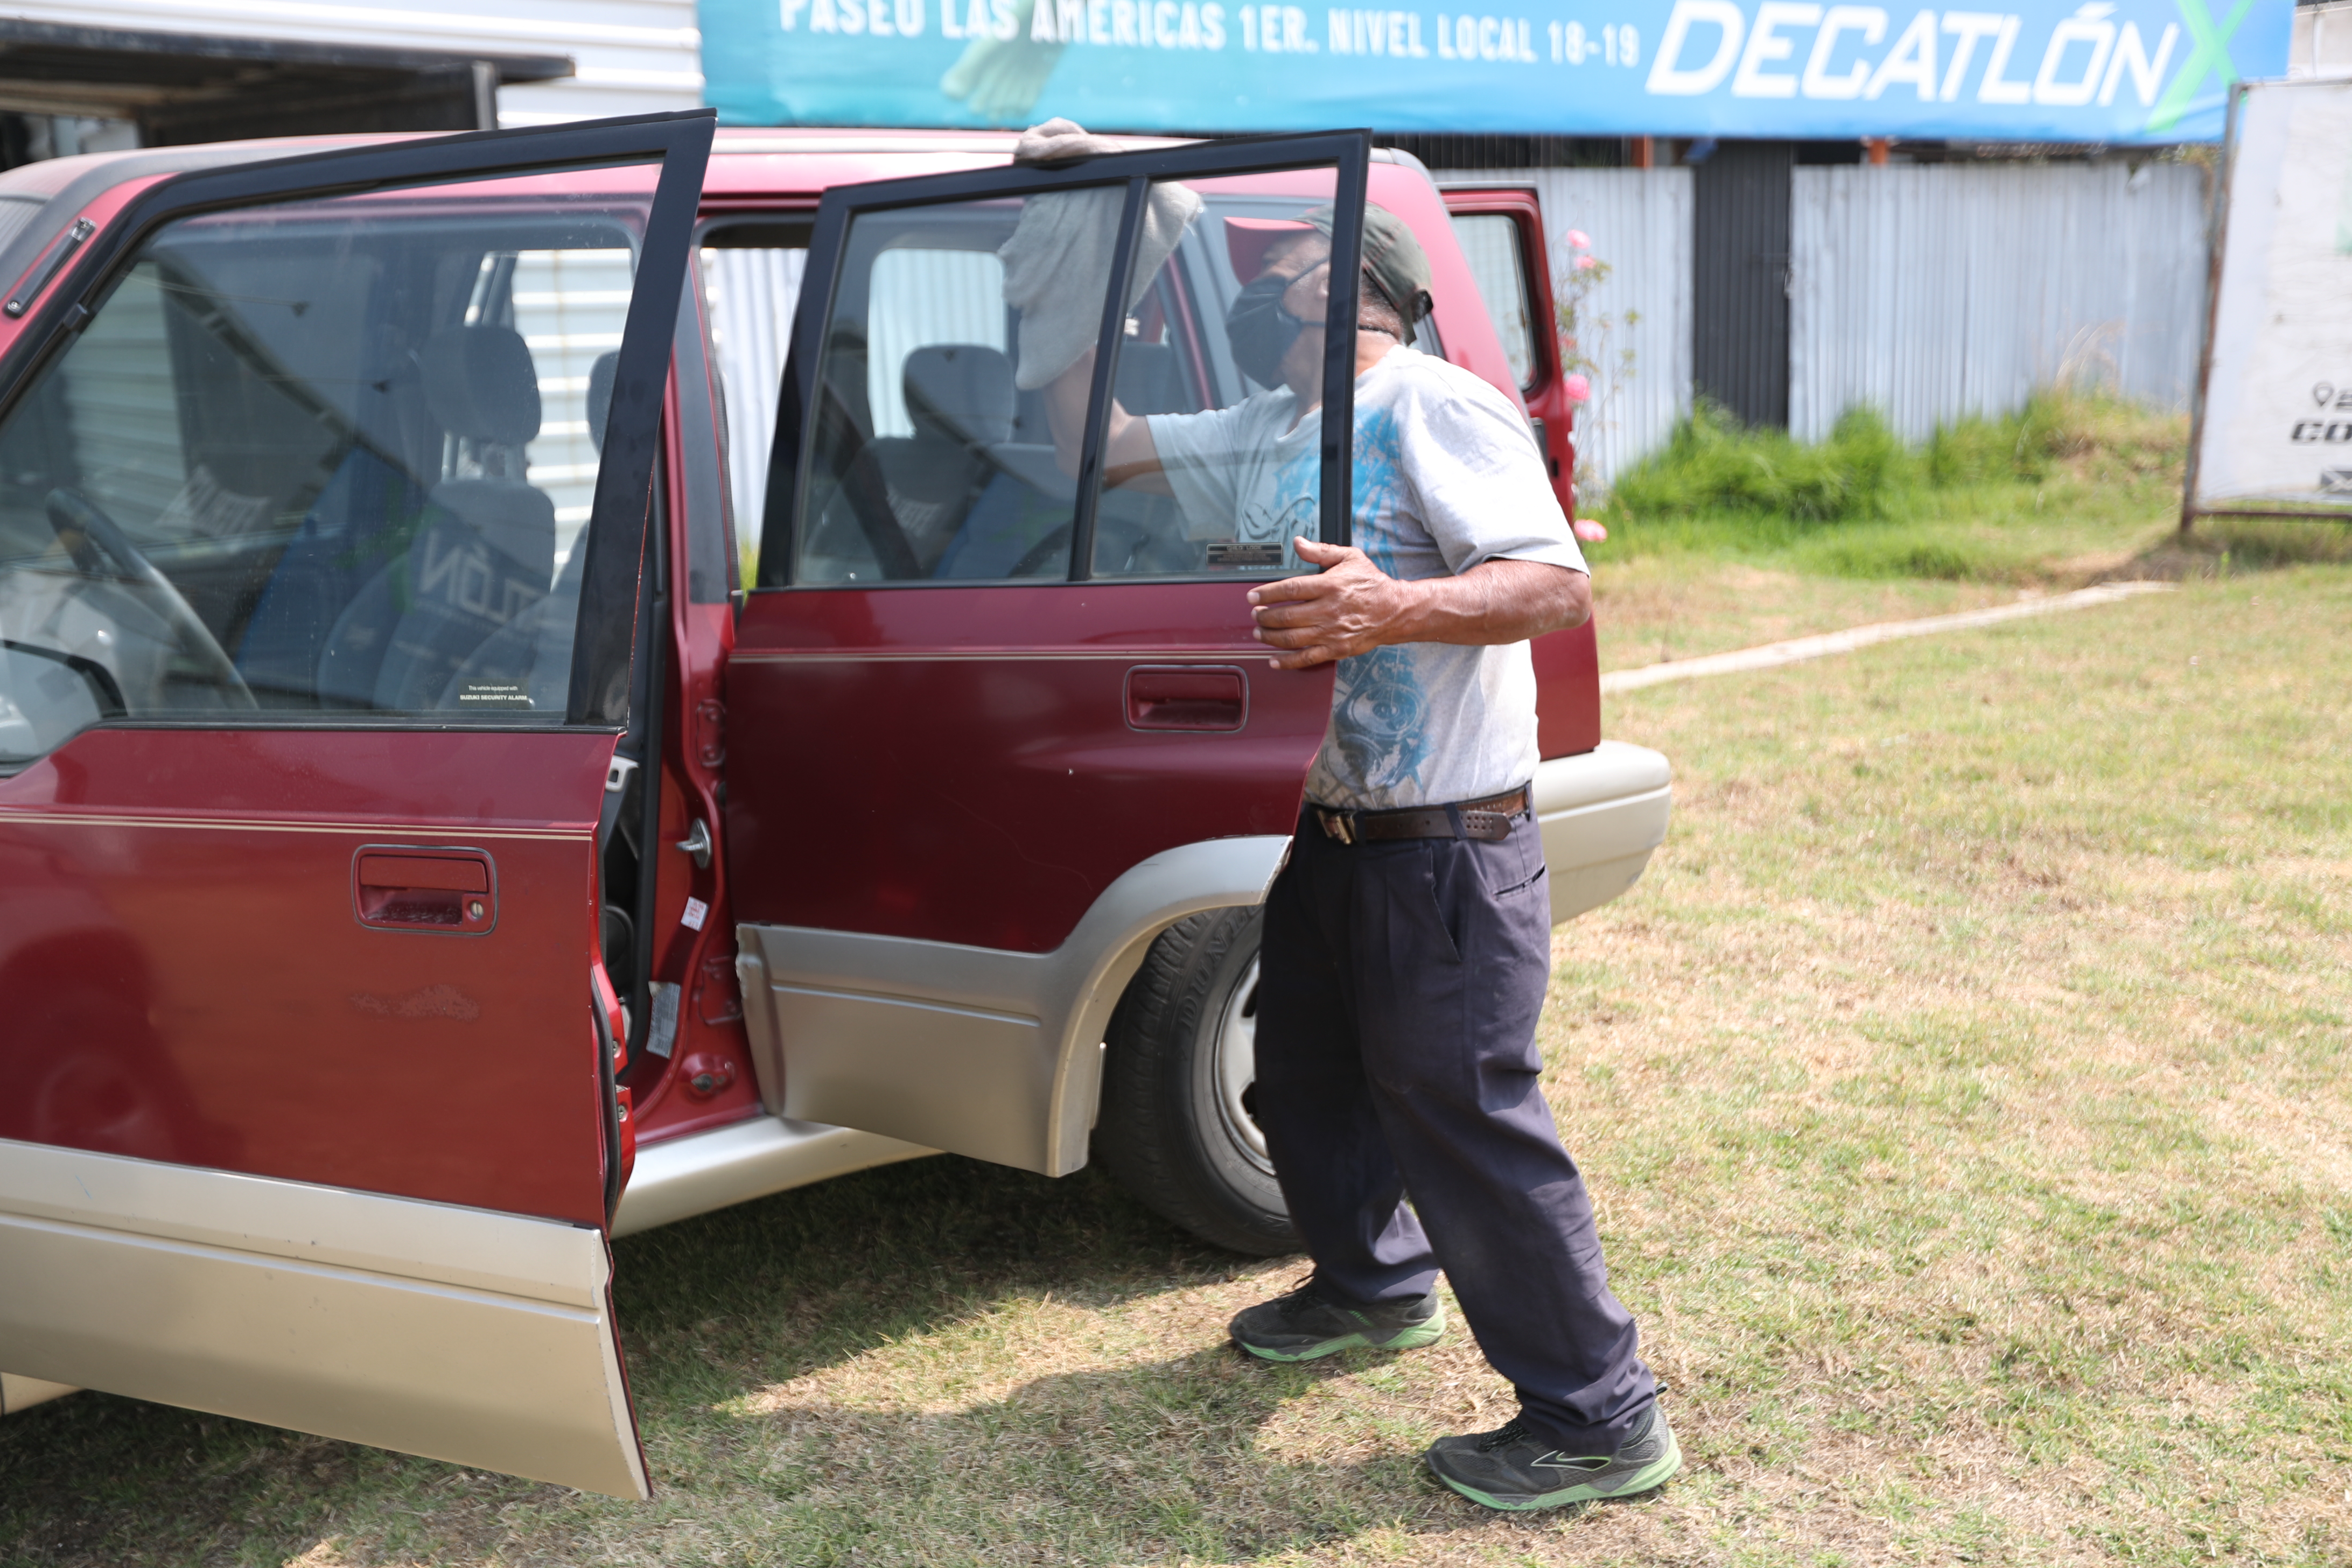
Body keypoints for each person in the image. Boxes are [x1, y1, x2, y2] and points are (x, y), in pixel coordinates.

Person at [1023, 128, 1679, 1513]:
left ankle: (1599, 1417)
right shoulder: (1270, 428)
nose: (1267, 293)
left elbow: (1550, 582)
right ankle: (1374, 1286)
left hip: (1446, 844)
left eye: (1295, 272)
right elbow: (1097, 444)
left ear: (1362, 289)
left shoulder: (1432, 406)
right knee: (1306, 1083)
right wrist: (1107, 241)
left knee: (1469, 1121)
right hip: (1329, 835)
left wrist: (1393, 605)